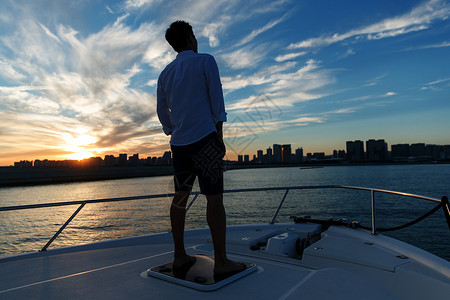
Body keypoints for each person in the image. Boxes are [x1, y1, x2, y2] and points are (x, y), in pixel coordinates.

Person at [156, 20, 245, 276]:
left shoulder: (165, 73)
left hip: (179, 145)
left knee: (180, 197)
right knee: (214, 198)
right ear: (190, 38)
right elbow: (216, 99)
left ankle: (180, 256)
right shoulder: (205, 61)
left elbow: (163, 112)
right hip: (205, 140)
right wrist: (219, 135)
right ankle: (222, 261)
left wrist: (174, 130)